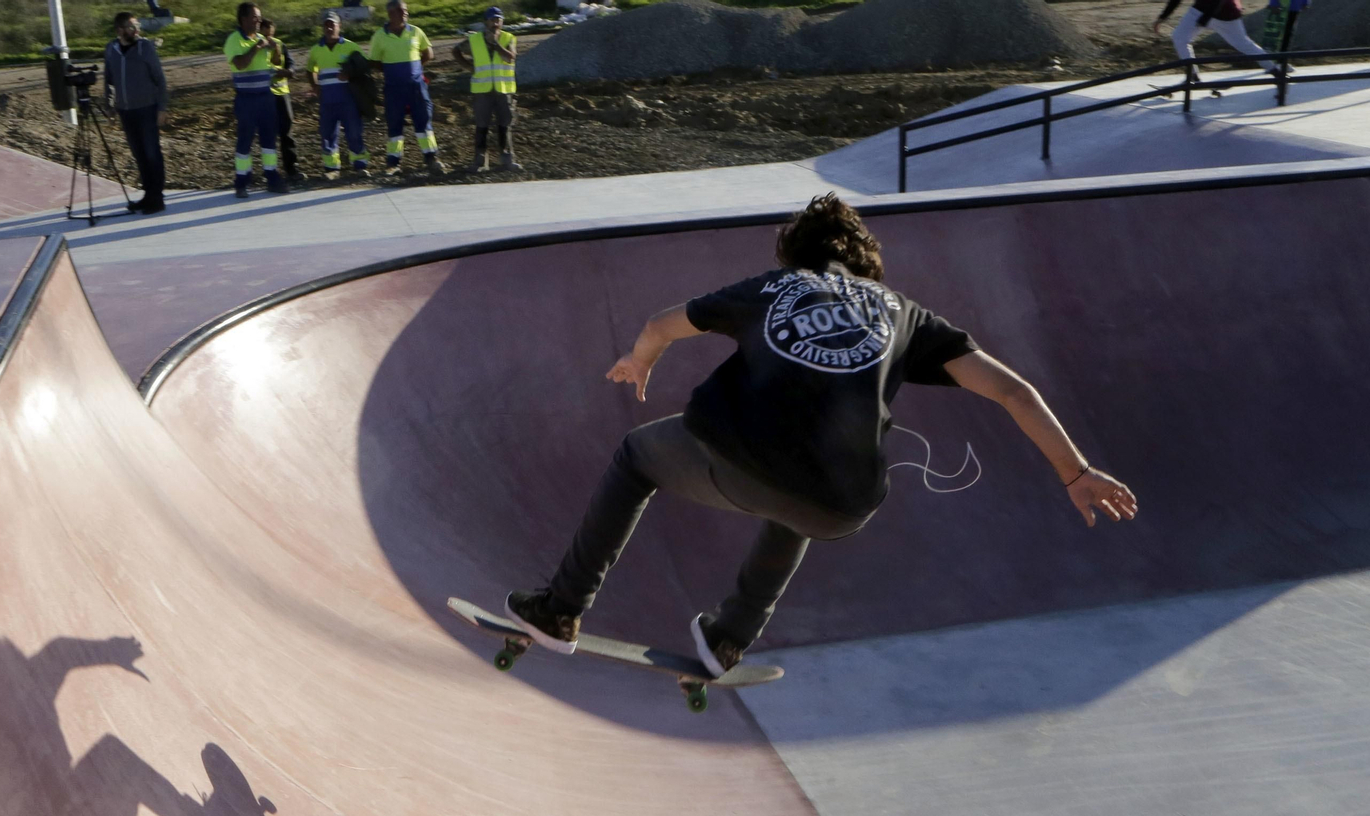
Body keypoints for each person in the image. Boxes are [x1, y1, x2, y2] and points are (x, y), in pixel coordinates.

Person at [503, 195, 1139, 677]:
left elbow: (660, 323)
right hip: (843, 504)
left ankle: (562, 608)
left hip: (738, 455)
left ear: (793, 255)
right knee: (802, 502)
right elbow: (1012, 391)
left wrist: (641, 360)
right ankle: (730, 637)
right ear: (869, 264)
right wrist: (1077, 472)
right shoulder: (907, 314)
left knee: (636, 456)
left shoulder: (775, 286)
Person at [368, 0, 443, 176]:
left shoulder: (416, 32)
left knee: (423, 121)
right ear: (390, 14)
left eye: (406, 11)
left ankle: (431, 158)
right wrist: (391, 71)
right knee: (394, 124)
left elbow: (428, 53)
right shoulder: (379, 36)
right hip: (393, 88)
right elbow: (373, 61)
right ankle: (393, 163)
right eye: (401, 11)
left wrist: (415, 70)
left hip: (417, 87)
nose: (405, 14)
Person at [104, 11, 168, 214]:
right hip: (126, 111)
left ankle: (157, 198)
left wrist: (162, 108)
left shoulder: (145, 47)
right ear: (119, 30)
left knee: (152, 153)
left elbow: (160, 79)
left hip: (147, 109)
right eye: (131, 27)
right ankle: (147, 195)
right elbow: (109, 79)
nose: (136, 30)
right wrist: (109, 105)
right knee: (139, 154)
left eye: (136, 26)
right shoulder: (111, 49)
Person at [223, 1, 285, 197]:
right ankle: (241, 181)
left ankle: (272, 176)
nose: (259, 21)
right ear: (243, 19)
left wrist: (275, 49)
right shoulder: (234, 40)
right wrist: (257, 47)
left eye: (259, 17)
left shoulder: (261, 38)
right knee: (245, 140)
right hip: (246, 98)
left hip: (265, 96)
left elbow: (275, 63)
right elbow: (240, 64)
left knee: (269, 139)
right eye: (254, 17)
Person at [453, 6, 520, 173]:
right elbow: (456, 51)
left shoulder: (508, 38)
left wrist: (495, 44)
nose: (495, 23)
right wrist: (469, 67)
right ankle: (480, 160)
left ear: (502, 22)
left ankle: (506, 159)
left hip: (503, 89)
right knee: (482, 125)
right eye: (492, 20)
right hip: (482, 89)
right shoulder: (475, 40)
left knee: (504, 124)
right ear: (486, 22)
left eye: (498, 20)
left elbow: (510, 58)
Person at [306, 10, 370, 179]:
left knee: (354, 131)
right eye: (326, 25)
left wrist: (350, 73)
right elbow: (309, 69)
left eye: (332, 24)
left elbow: (364, 67)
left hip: (348, 99)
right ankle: (331, 168)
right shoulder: (316, 50)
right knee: (327, 134)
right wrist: (314, 85)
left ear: (339, 26)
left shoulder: (350, 46)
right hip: (327, 99)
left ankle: (360, 164)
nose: (329, 28)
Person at [1153, 0, 1279, 79]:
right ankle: (1193, 75)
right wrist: (1163, 17)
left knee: (1244, 44)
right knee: (1179, 37)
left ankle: (1274, 71)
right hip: (1199, 9)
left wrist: (1205, 19)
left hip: (1226, 13)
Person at [256, 18, 300, 181]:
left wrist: (288, 71)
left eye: (271, 33)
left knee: (286, 130)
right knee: (268, 132)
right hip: (264, 94)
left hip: (282, 93)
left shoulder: (279, 44)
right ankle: (269, 170)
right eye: (265, 33)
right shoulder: (257, 45)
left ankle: (291, 167)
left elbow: (290, 65)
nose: (269, 37)